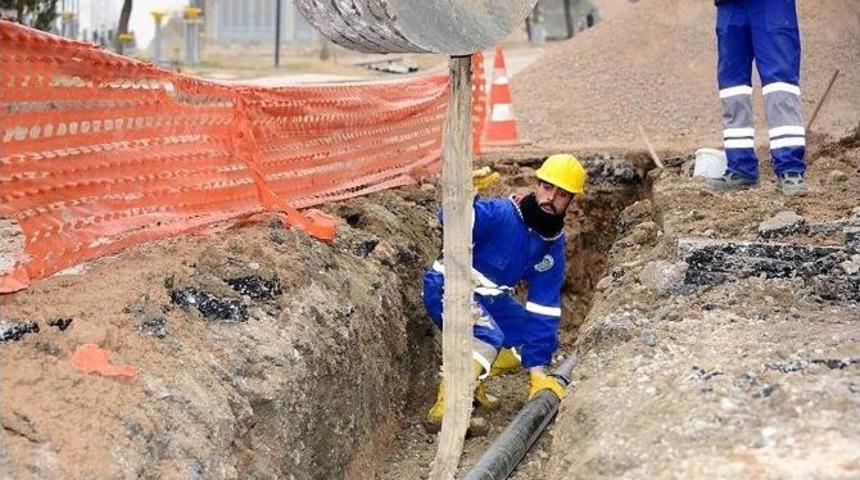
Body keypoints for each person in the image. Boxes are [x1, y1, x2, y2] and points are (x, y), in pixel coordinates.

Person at [422, 154, 587, 427]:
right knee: (488, 337)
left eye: (562, 194)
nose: (550, 198)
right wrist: (463, 196)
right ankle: (447, 408)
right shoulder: (502, 214)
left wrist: (538, 375)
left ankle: (472, 381)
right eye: (547, 188)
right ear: (537, 186)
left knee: (528, 340)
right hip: (449, 285)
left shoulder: (552, 245)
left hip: (491, 298)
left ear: (571, 200)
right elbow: (451, 222)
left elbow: (543, 308)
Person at [706, 0, 807, 196]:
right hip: (730, 5)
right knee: (732, 87)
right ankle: (741, 167)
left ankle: (790, 169)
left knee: (780, 84)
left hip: (772, 5)